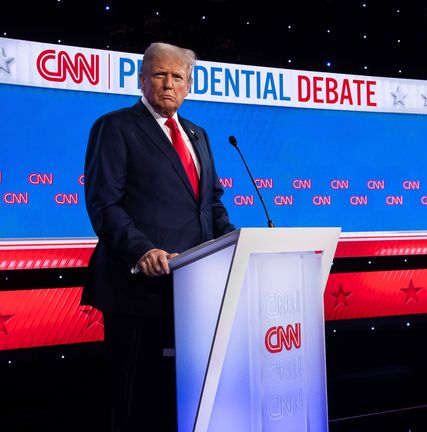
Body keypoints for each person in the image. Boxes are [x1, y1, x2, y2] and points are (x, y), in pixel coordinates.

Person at [83, 42, 236, 431]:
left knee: (179, 400)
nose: (169, 84)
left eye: (177, 77)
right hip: (138, 289)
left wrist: (237, 244)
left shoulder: (197, 134)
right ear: (142, 78)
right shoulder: (115, 126)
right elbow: (105, 203)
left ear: (188, 86)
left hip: (193, 289)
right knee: (135, 400)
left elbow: (210, 204)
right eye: (160, 74)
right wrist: (141, 250)